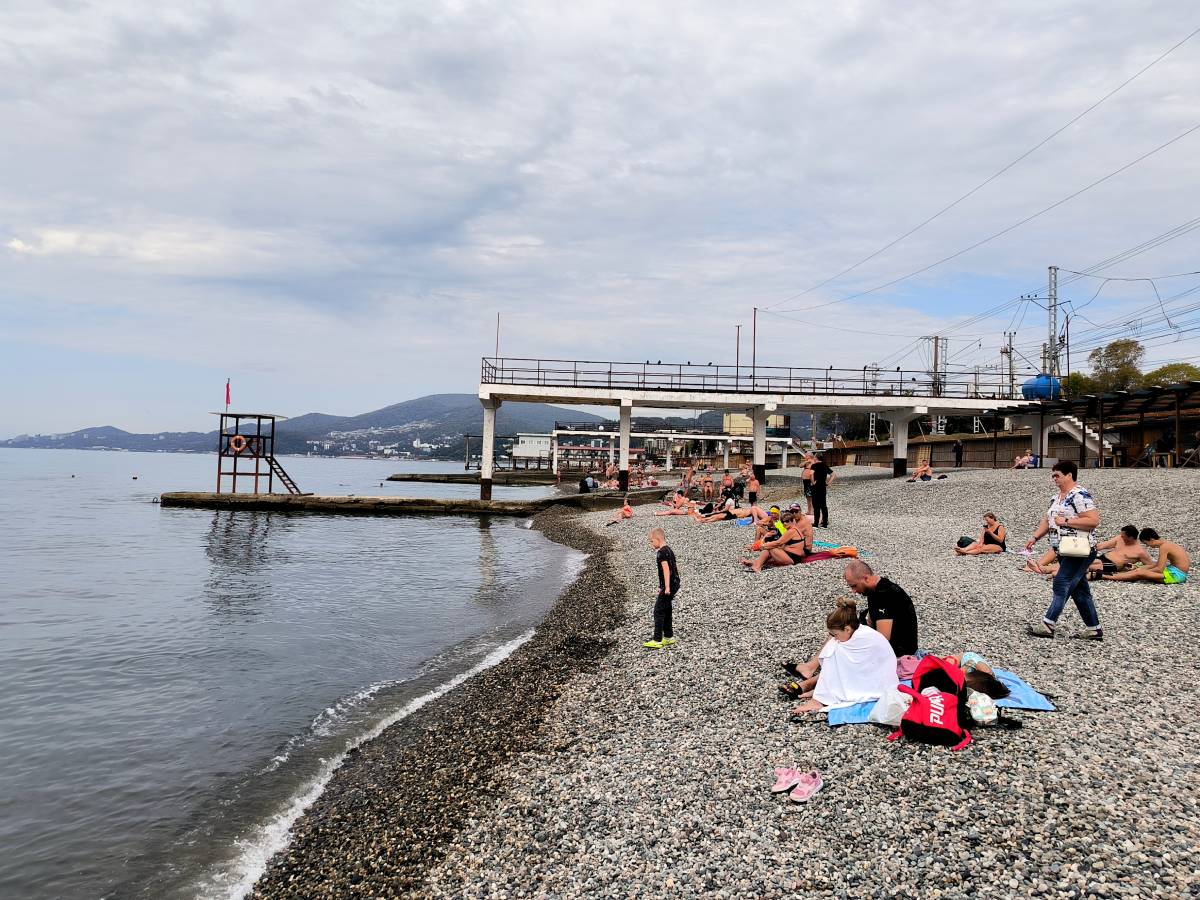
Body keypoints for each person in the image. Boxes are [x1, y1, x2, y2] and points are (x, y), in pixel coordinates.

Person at [1024, 460, 1103, 640]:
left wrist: (1067, 522)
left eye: (1057, 475)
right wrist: (1035, 537)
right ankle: (1094, 629)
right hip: (1064, 549)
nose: (1054, 479)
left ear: (1069, 475)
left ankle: (1048, 624)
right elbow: (1048, 521)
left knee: (1061, 582)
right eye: (1053, 476)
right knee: (1080, 589)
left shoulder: (1080, 495)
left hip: (1080, 549)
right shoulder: (1056, 498)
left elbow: (1093, 520)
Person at [791, 599, 898, 713]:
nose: (835, 638)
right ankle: (824, 692)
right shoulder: (857, 632)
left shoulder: (864, 637)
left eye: (835, 634)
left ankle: (821, 698)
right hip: (876, 676)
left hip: (879, 681)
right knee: (833, 648)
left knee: (833, 652)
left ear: (847, 629)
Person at [842, 560, 919, 656]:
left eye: (854, 586)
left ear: (866, 578)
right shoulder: (875, 588)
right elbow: (871, 621)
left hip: (900, 654)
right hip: (895, 649)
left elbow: (883, 640)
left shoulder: (884, 596)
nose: (853, 591)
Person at [1103, 528, 1191, 584]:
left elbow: (1159, 569)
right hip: (1174, 570)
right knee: (1141, 568)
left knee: (1139, 573)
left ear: (1151, 540)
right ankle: (1118, 574)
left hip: (1177, 575)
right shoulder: (1167, 544)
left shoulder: (1164, 547)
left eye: (1146, 543)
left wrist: (1142, 570)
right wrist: (1142, 567)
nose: (1148, 546)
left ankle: (1106, 576)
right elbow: (1157, 565)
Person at [741, 510, 813, 571]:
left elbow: (778, 543)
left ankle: (757, 566)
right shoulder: (794, 529)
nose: (784, 523)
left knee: (771, 547)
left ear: (792, 521)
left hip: (793, 558)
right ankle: (756, 563)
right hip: (794, 556)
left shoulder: (792, 531)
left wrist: (763, 546)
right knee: (770, 548)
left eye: (787, 521)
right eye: (783, 522)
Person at [644, 528, 680, 649]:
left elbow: (666, 570)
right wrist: (662, 586)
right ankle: (669, 637)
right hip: (675, 582)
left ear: (658, 539)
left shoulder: (661, 553)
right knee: (667, 608)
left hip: (670, 585)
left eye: (651, 541)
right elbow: (674, 567)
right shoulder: (669, 550)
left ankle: (657, 639)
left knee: (658, 610)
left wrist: (667, 587)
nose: (651, 544)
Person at [809, 453, 835, 528]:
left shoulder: (814, 465)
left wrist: (813, 482)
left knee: (816, 505)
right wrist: (828, 483)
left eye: (814, 457)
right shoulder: (825, 465)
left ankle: (816, 523)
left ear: (816, 458)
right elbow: (833, 475)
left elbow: (811, 474)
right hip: (823, 486)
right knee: (823, 505)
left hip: (816, 487)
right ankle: (825, 523)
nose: (814, 458)